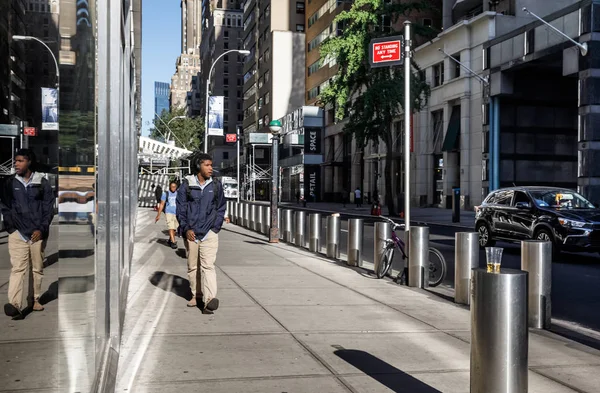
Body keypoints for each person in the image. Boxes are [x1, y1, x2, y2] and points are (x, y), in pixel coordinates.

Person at [0, 149, 54, 320]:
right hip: (17, 234)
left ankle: (34, 300)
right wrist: (11, 228)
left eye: (20, 161)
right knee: (18, 268)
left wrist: (42, 229)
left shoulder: (42, 183)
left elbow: (48, 209)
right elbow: (5, 207)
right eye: (15, 161)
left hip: (37, 233)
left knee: (37, 268)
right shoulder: (9, 183)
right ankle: (14, 304)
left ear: (29, 162)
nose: (16, 164)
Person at [177, 153, 226, 314]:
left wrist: (215, 228)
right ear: (198, 166)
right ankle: (196, 295)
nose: (211, 168)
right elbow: (181, 209)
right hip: (191, 233)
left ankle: (209, 299)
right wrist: (185, 229)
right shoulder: (187, 185)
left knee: (208, 266)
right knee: (193, 267)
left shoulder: (216, 185)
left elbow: (220, 208)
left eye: (211, 165)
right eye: (207, 165)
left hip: (209, 233)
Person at [155, 181, 179, 249]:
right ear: (169, 187)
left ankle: (170, 239)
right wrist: (158, 215)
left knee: (174, 228)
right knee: (171, 227)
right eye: (172, 187)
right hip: (169, 212)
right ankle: (173, 242)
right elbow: (162, 204)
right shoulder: (165, 194)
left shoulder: (178, 193)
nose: (173, 188)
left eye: (174, 187)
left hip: (176, 213)